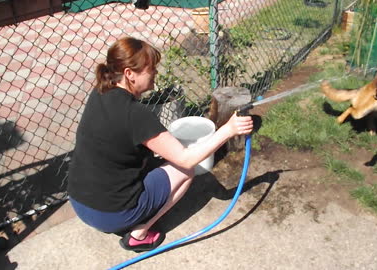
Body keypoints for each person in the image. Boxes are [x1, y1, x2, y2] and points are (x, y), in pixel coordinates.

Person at [67, 36, 253, 252]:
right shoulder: (135, 114)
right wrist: (228, 130)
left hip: (79, 202)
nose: (155, 72)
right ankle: (138, 234)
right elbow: (186, 158)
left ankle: (130, 217)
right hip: (110, 214)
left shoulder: (100, 93)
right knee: (187, 170)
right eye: (150, 68)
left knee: (157, 160)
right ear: (129, 74)